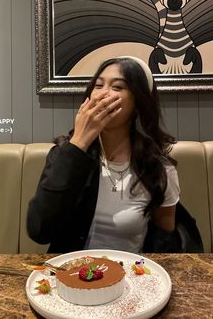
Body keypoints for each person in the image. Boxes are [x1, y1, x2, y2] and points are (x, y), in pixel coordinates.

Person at [27, 56, 181, 253]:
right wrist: (78, 144)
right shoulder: (65, 155)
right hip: (70, 273)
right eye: (98, 85)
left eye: (117, 87)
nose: (102, 95)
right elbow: (39, 231)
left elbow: (165, 238)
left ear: (138, 102)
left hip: (129, 275)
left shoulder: (158, 168)